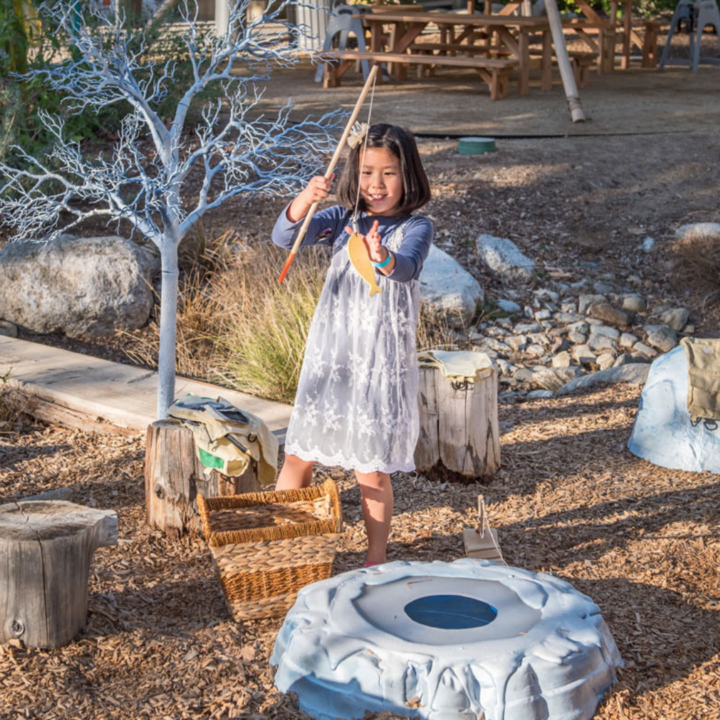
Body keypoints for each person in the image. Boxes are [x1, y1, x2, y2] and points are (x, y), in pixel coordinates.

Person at [271, 123, 433, 566]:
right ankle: (286, 544)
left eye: (389, 174)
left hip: (378, 360)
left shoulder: (418, 226)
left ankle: (375, 556)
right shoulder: (343, 219)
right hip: (334, 354)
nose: (375, 185)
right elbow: (285, 238)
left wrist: (381, 256)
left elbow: (406, 268)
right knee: (299, 454)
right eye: (366, 173)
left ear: (409, 176)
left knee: (370, 468)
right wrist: (307, 199)